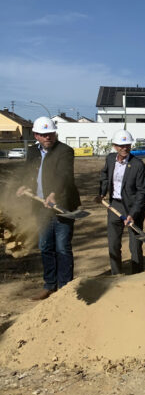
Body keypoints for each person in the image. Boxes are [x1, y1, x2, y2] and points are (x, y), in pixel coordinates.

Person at [16, 117, 80, 300]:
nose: (47, 137)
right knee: (45, 247)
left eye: (50, 134)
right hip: (41, 208)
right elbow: (29, 172)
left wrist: (53, 194)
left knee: (62, 248)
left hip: (62, 206)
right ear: (36, 135)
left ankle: (66, 288)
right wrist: (25, 185)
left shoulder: (64, 151)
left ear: (55, 133)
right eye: (43, 135)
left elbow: (64, 175)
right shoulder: (32, 151)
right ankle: (50, 286)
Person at [97, 130, 145, 274]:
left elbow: (142, 192)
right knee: (113, 243)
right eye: (121, 145)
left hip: (133, 207)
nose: (124, 148)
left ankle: (137, 274)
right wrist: (102, 192)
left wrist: (133, 214)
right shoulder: (110, 159)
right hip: (115, 205)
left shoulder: (138, 165)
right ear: (115, 146)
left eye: (127, 145)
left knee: (135, 245)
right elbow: (104, 175)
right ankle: (116, 273)